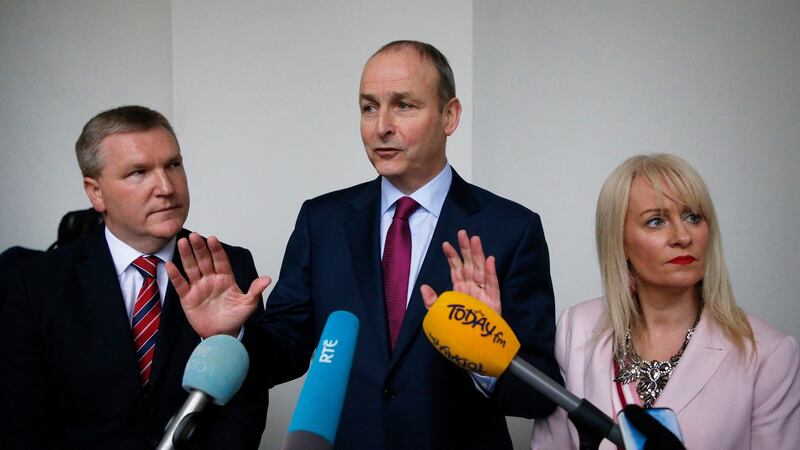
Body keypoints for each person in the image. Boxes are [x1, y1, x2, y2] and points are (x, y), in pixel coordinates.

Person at [170, 40, 561, 450]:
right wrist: (230, 338)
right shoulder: (321, 221)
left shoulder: (512, 229)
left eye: (404, 105)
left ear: (450, 115)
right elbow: (284, 350)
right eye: (368, 107)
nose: (381, 126)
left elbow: (539, 394)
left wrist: (486, 354)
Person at [0, 106, 269, 449]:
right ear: (95, 192)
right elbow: (20, 424)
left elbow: (244, 410)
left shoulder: (229, 265)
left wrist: (225, 337)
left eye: (173, 165)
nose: (166, 187)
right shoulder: (34, 282)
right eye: (138, 172)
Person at [531, 154, 800, 449]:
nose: (683, 236)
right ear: (618, 240)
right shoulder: (577, 327)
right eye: (656, 221)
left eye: (693, 217)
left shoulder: (768, 353)